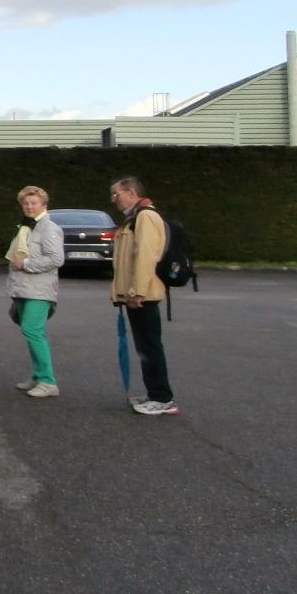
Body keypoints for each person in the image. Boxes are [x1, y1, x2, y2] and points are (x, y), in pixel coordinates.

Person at [111, 176, 180, 416]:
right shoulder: (134, 218)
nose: (114, 199)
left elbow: (146, 257)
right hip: (136, 294)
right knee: (145, 346)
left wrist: (137, 291)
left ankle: (162, 398)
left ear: (131, 193)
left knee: (150, 346)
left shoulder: (145, 217)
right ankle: (155, 394)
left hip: (143, 295)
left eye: (117, 194)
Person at [7, 185, 65, 398]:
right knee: (30, 332)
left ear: (44, 205)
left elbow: (56, 259)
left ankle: (48, 382)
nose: (30, 206)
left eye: (34, 203)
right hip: (24, 289)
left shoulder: (49, 228)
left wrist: (26, 264)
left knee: (33, 331)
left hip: (40, 291)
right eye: (26, 203)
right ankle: (39, 375)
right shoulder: (26, 227)